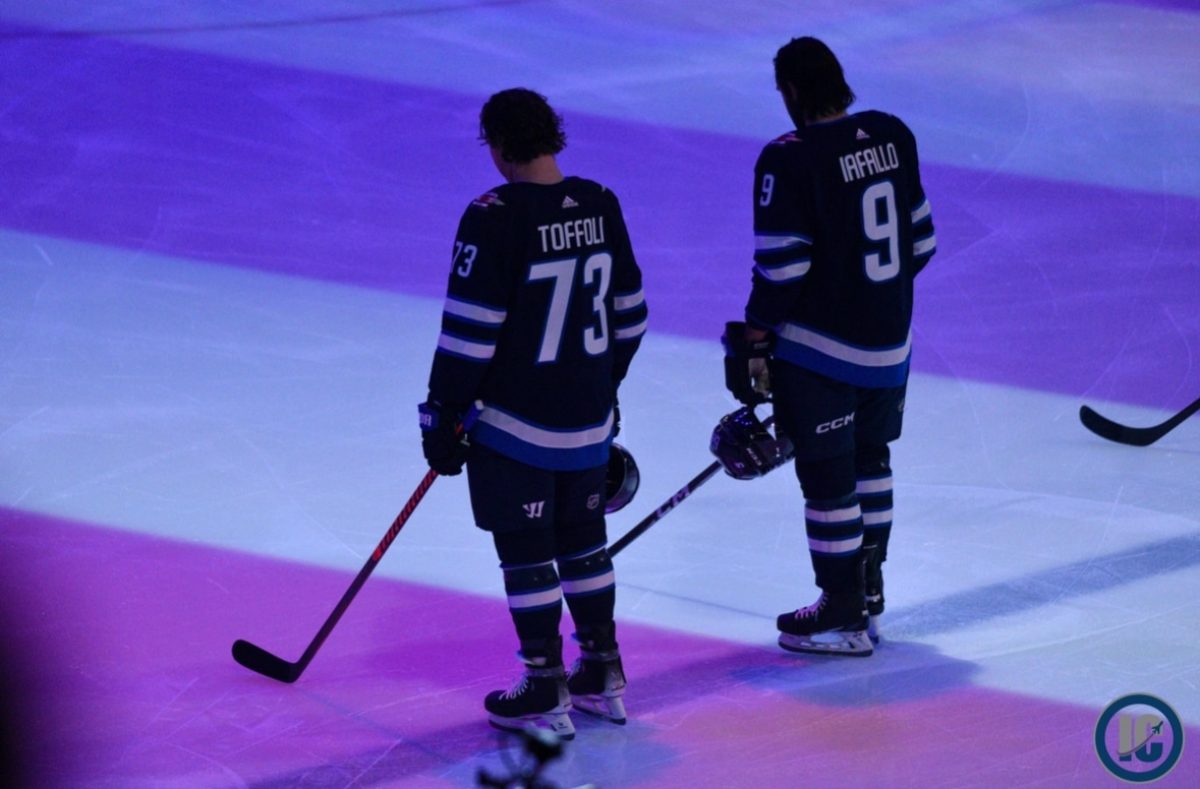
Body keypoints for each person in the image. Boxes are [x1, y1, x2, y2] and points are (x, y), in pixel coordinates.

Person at [419, 88, 648, 738]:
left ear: (497, 146)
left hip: (515, 426)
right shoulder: (600, 202)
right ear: (553, 135)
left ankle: (544, 684)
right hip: (589, 421)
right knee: (584, 541)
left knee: (526, 553)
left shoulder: (492, 215)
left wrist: (443, 412)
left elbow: (470, 332)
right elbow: (631, 316)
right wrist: (602, 385)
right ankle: (602, 671)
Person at [722, 37, 936, 656]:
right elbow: (922, 243)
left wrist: (755, 335)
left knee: (826, 475)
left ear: (790, 91)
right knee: (872, 460)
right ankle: (868, 598)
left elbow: (783, 268)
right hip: (890, 344)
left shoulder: (788, 156)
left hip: (820, 351)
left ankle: (842, 613)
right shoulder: (891, 134)